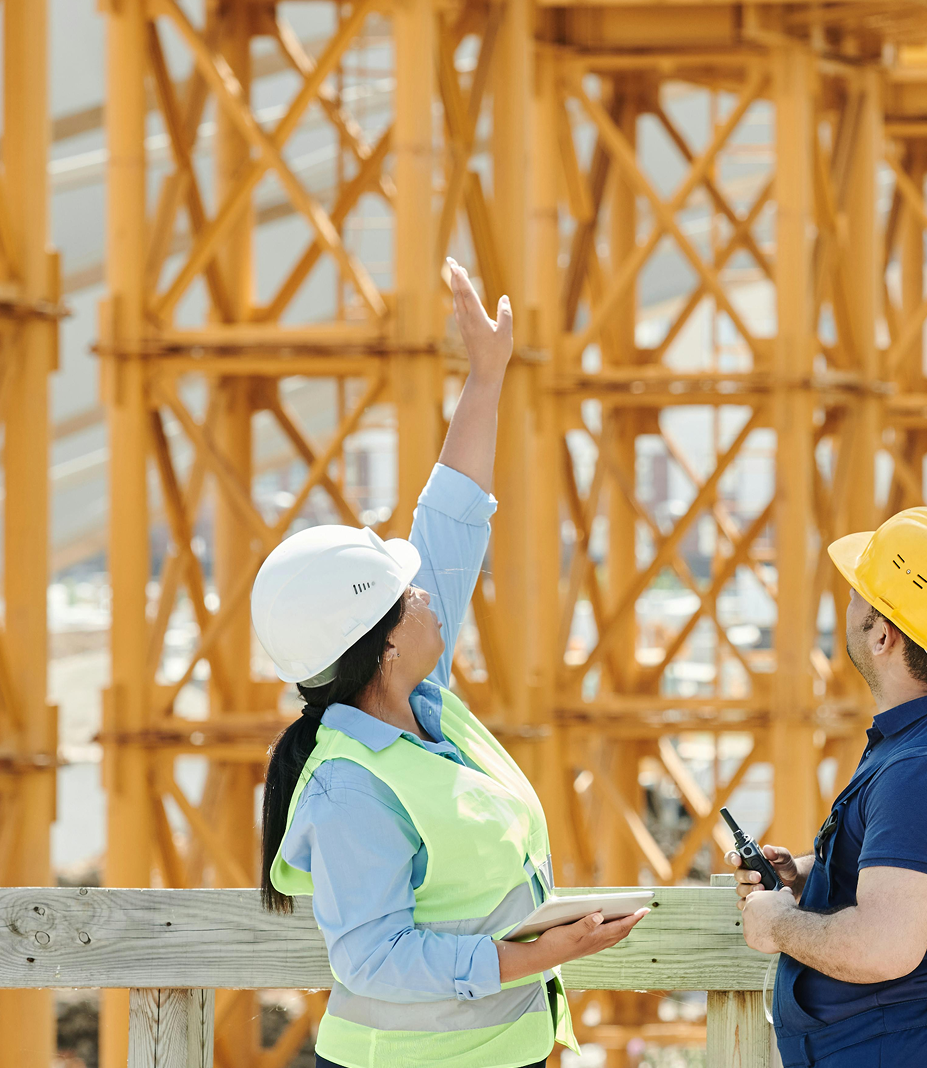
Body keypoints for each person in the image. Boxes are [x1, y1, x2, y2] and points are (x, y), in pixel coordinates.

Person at [255, 259, 644, 1068]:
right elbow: (369, 958)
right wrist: (540, 955)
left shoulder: (426, 704)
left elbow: (453, 517)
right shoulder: (350, 782)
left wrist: (486, 377)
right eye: (409, 592)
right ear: (387, 639)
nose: (427, 592)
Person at [728, 508, 927, 1067]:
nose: (847, 605)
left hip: (897, 1049)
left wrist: (780, 925)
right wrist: (808, 877)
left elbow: (883, 946)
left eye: (857, 596)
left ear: (883, 635)